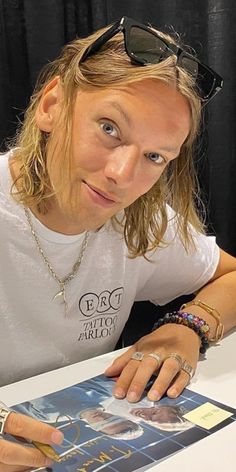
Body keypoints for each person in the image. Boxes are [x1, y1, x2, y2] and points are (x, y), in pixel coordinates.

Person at [0, 14, 236, 470]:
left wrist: (188, 326)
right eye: (109, 127)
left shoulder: (141, 223)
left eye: (154, 156)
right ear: (51, 104)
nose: (122, 177)